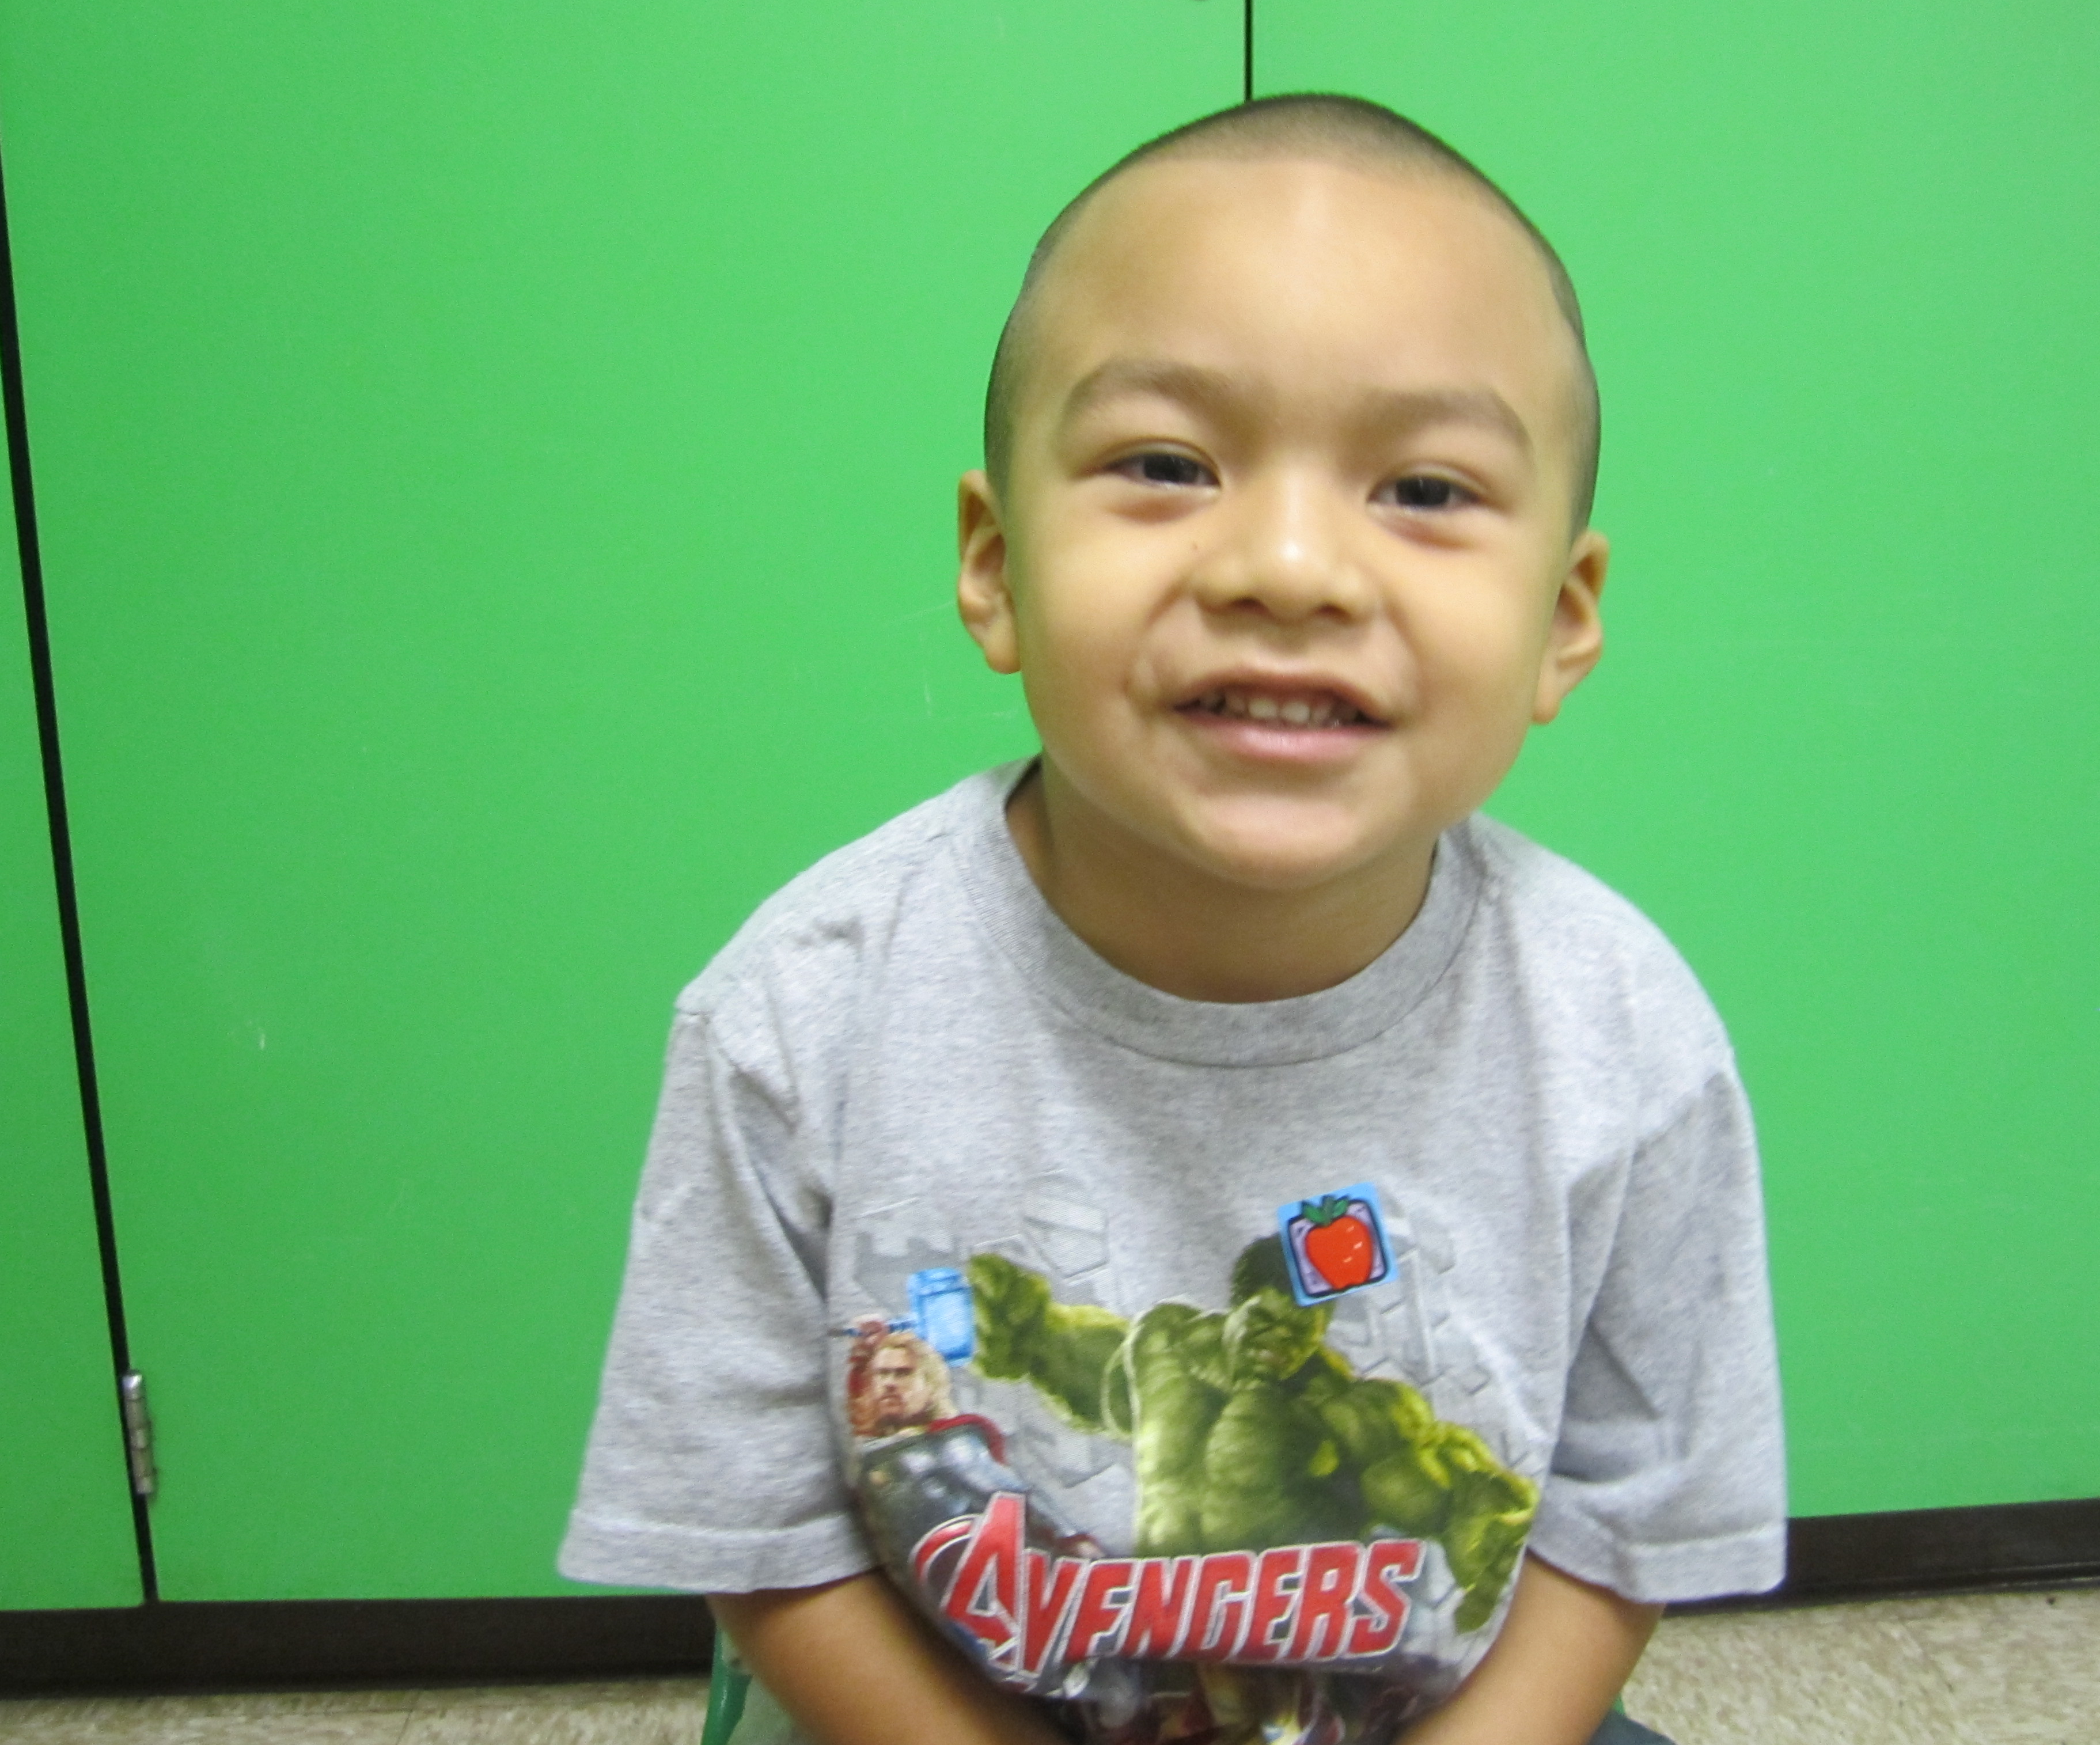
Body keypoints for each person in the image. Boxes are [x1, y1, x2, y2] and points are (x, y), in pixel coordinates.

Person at [560, 93, 1786, 1745]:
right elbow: (764, 1536)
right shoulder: (802, 1012)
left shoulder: (1620, 1033)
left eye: (1425, 487)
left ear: (1563, 623)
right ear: (993, 566)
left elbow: (1621, 1521)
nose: (1288, 566)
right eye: (1165, 465)